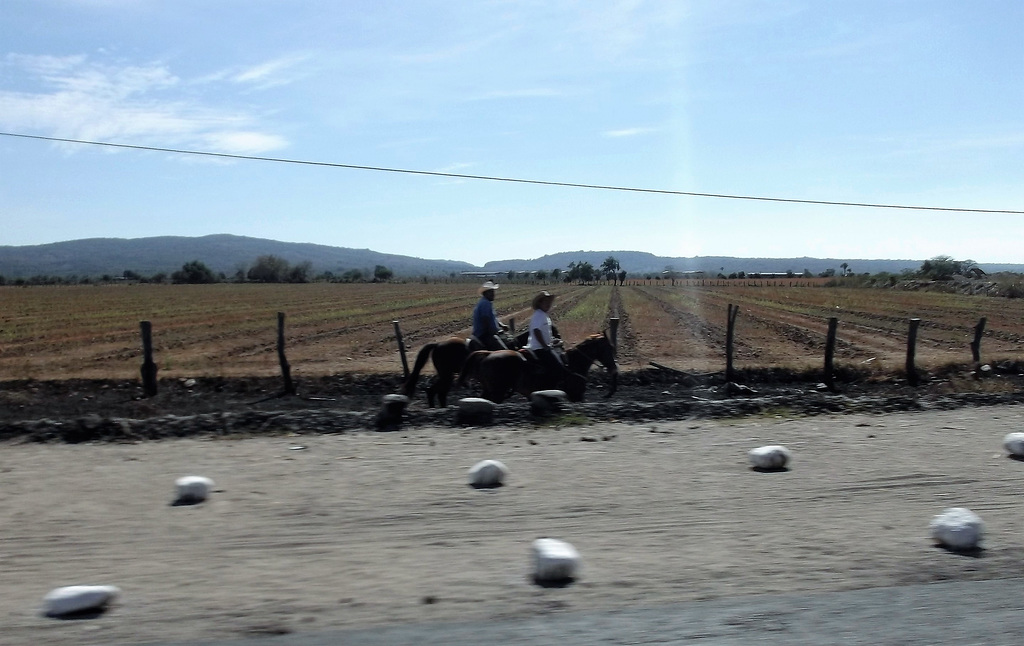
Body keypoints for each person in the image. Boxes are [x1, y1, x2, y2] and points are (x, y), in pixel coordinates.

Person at [525, 290, 570, 383]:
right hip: (539, 348)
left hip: (544, 346)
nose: (548, 304)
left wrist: (552, 340)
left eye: (549, 302)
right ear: (540, 303)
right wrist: (545, 346)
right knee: (558, 366)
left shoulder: (544, 315)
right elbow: (536, 331)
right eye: (546, 302)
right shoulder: (539, 315)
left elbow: (544, 332)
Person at [472, 281, 508, 351]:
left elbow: (493, 318)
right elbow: (486, 319)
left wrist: (502, 325)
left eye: (493, 292)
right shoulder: (485, 303)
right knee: (504, 350)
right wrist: (494, 332)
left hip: (483, 334)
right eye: (491, 292)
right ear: (486, 293)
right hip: (484, 335)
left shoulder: (485, 302)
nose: (493, 294)